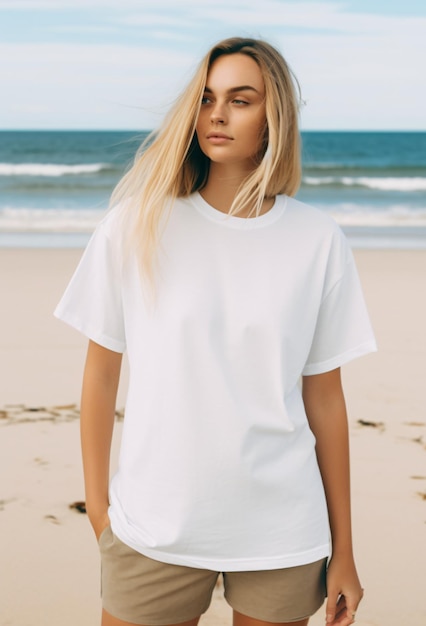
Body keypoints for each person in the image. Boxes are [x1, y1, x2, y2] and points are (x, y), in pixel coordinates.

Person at [55, 37, 376, 626]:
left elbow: (325, 399)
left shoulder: (318, 240)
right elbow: (101, 375)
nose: (217, 115)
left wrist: (345, 553)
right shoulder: (137, 224)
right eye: (205, 98)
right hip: (153, 527)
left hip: (283, 529)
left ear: (273, 115)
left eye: (240, 99)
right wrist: (101, 513)